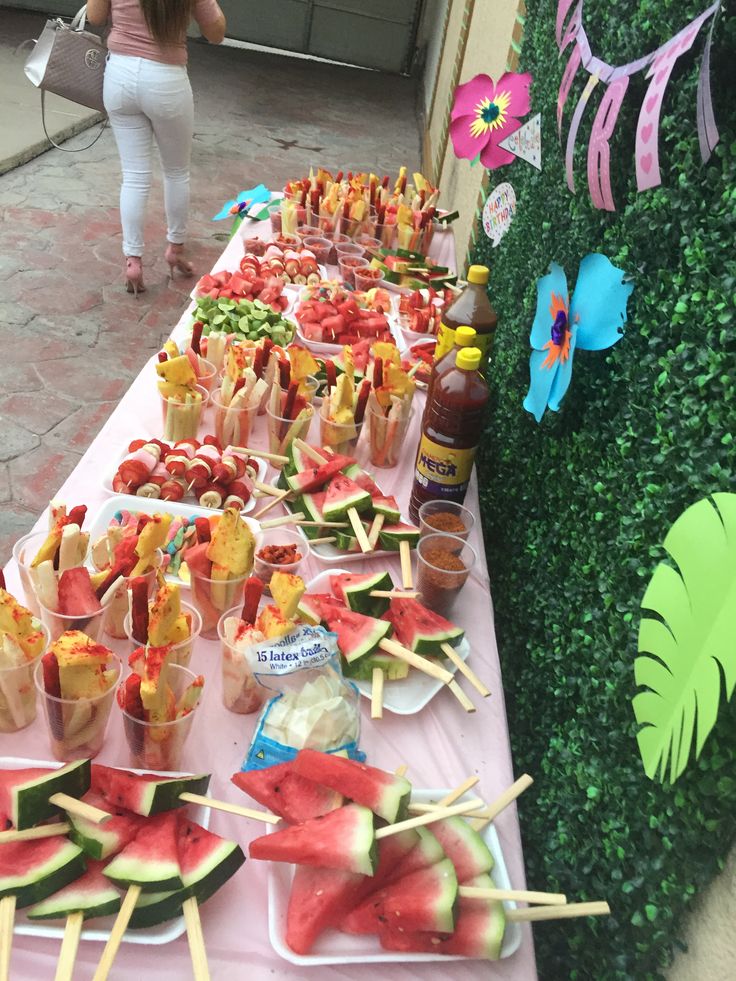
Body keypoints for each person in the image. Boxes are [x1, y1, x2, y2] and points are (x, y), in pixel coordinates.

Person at [86, 0, 227, 296]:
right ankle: (174, 249)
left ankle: (133, 261)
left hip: (120, 75)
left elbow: (95, 16)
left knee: (134, 175)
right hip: (167, 79)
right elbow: (216, 32)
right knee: (176, 172)